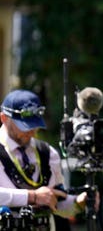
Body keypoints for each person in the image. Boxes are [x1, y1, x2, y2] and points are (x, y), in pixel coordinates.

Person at [0, 89, 90, 228]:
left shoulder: (48, 153)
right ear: (4, 119)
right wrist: (33, 196)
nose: (31, 132)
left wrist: (79, 202)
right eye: (24, 126)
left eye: (34, 126)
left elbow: (56, 204)